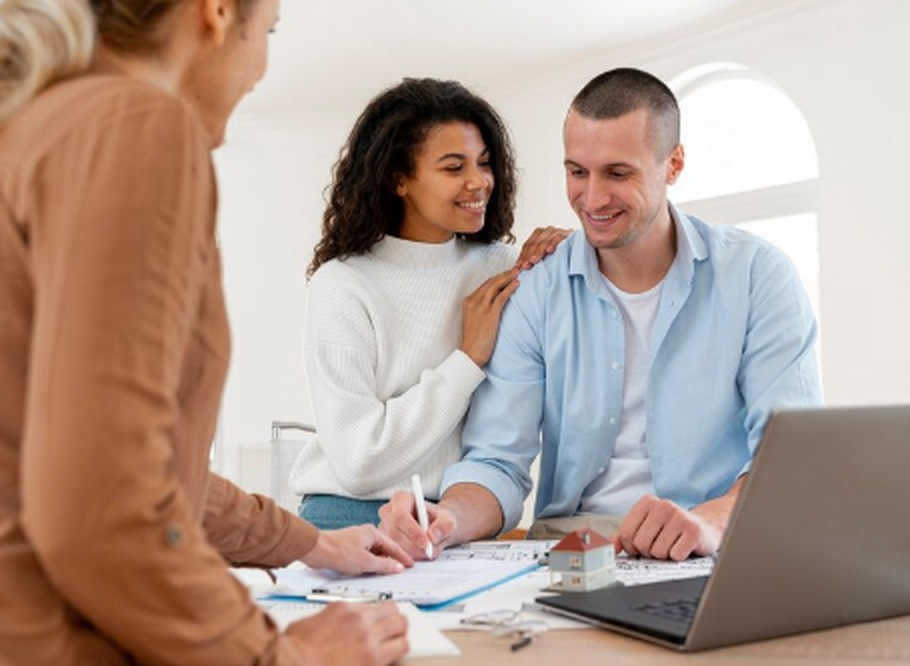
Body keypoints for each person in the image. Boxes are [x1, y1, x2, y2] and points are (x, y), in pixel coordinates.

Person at [0, 1, 412, 664]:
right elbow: (104, 509)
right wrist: (285, 658)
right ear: (216, 13)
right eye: (269, 29)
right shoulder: (135, 124)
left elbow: (140, 468)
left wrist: (312, 542)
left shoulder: (34, 126)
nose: (261, 67)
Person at [379, 67, 824, 562]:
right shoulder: (536, 291)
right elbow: (497, 462)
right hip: (571, 545)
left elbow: (791, 458)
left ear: (673, 164)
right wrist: (448, 519)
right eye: (576, 172)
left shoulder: (757, 276)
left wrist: (710, 522)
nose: (592, 199)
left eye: (618, 173)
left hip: (712, 536)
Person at [289, 77, 567, 530]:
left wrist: (570, 252)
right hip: (350, 518)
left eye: (484, 163)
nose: (479, 181)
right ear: (399, 179)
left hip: (462, 515)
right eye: (453, 167)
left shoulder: (503, 267)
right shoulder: (343, 283)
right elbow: (358, 463)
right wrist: (466, 360)